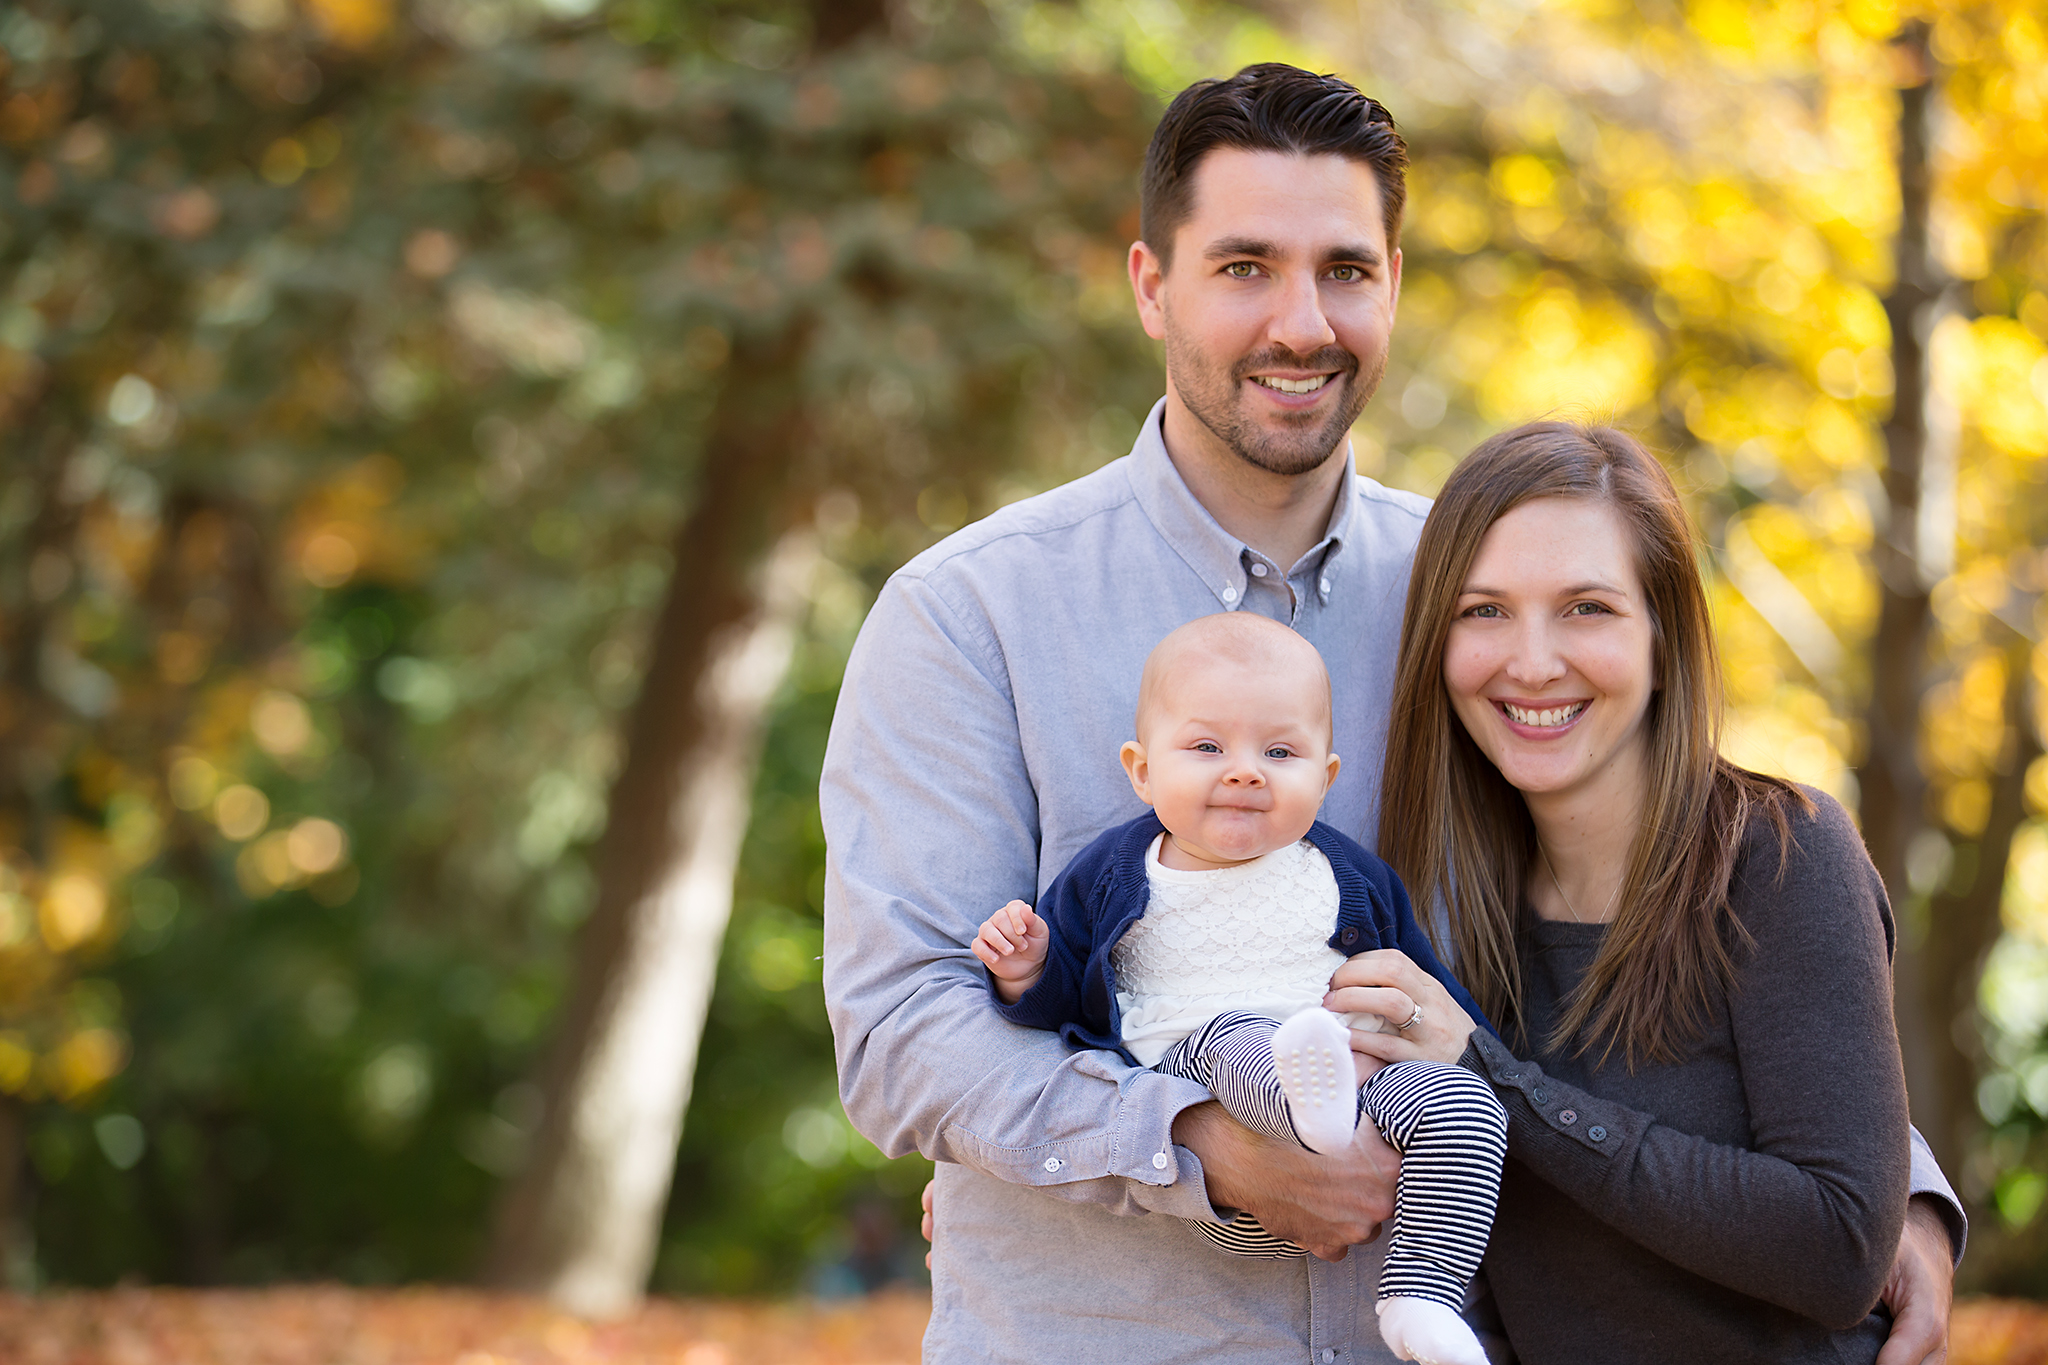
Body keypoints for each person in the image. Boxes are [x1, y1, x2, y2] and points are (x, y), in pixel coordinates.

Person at [822, 63, 1961, 1364]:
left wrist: (1893, 1192)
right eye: (1244, 265)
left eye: (1346, 271)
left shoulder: (1485, 600)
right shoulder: (974, 615)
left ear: (1394, 284)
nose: (1301, 321)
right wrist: (1197, 1147)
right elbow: (906, 1027)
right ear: (1151, 283)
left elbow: (1666, 898)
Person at [1329, 421, 1914, 1363]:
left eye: (1586, 608)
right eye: (1483, 612)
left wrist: (1492, 1081)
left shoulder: (1779, 856)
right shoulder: (1450, 912)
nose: (1530, 661)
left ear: (1663, 633)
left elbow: (1840, 1245)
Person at [973, 613, 1507, 1365]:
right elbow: (1065, 1000)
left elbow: (1430, 988)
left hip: (1354, 1082)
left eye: (1280, 751)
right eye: (1207, 747)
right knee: (1240, 1038)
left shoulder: (1349, 875)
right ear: (1142, 769)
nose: (1246, 770)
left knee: (1469, 1107)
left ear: (1324, 777)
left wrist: (1466, 1055)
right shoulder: (1116, 873)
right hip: (1206, 1099)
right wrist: (1027, 968)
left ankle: (1420, 1294)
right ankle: (1303, 1107)